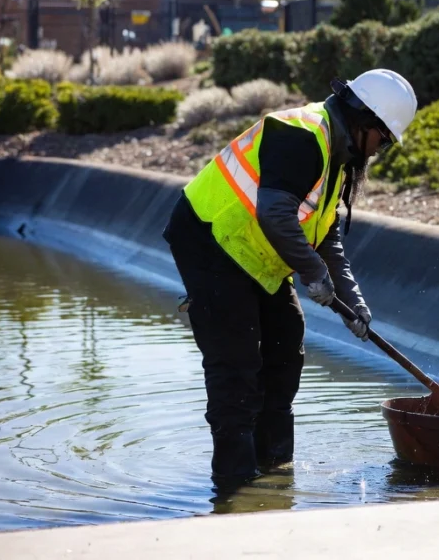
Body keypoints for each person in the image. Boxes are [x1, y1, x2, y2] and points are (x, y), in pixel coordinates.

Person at [162, 68, 418, 490]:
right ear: (364, 121)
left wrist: (353, 301)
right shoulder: (301, 134)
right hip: (211, 240)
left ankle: (275, 472)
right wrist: (314, 276)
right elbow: (275, 214)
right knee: (237, 366)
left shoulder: (339, 155)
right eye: (384, 140)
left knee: (285, 346)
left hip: (258, 251)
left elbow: (324, 234)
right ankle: (235, 485)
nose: (380, 150)